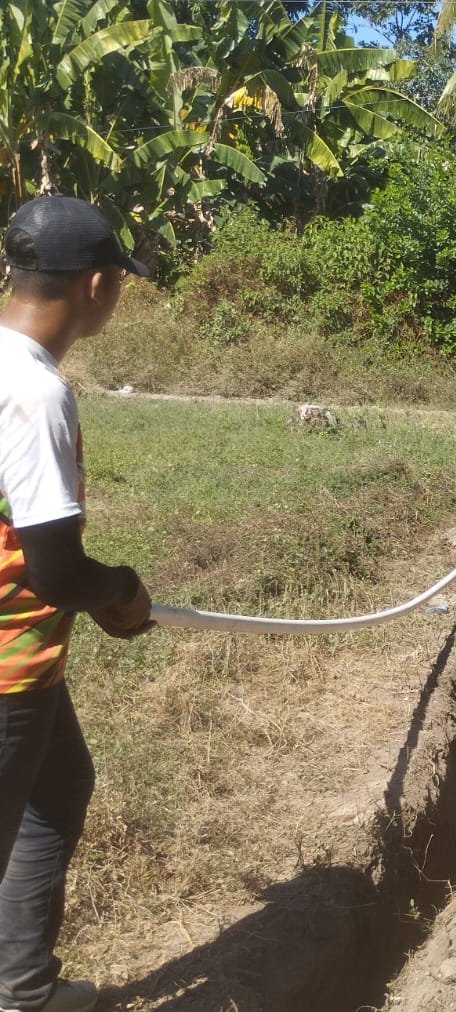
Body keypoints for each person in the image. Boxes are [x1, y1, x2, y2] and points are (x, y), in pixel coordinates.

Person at [0, 196, 154, 1012]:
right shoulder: (34, 394)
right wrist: (122, 592)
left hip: (30, 662)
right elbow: (52, 571)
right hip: (7, 666)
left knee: (59, 789)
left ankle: (23, 987)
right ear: (96, 285)